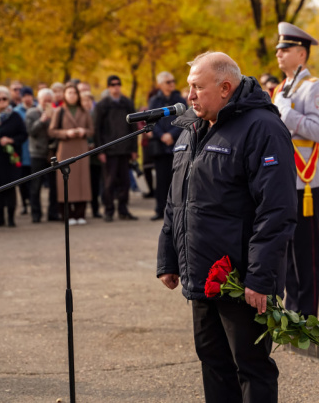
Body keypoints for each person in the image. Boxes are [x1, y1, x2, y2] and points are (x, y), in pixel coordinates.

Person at [157, 52, 296, 403]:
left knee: (251, 367)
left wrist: (260, 278)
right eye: (189, 87)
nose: (189, 96)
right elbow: (178, 199)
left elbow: (276, 210)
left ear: (224, 88)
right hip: (201, 273)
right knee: (213, 363)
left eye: (196, 88)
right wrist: (168, 258)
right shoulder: (191, 126)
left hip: (240, 279)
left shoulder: (262, 128)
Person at [272, 22, 319, 317]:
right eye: (278, 49)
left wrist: (286, 111)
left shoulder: (314, 87)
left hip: (306, 181)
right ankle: (292, 312)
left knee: (306, 255)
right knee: (286, 252)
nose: (278, 54)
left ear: (301, 54)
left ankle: (307, 317)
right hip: (282, 179)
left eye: (285, 49)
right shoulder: (281, 88)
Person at [93, 76, 138, 222]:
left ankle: (123, 210)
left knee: (125, 182)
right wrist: (100, 150)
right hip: (109, 149)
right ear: (108, 87)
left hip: (125, 149)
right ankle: (109, 210)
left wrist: (134, 149)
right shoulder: (102, 105)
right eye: (112, 85)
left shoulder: (127, 103)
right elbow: (97, 129)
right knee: (109, 182)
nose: (115, 87)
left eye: (118, 84)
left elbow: (133, 127)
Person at [48, 83, 94, 225]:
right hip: (65, 148)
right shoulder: (59, 111)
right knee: (66, 182)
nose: (72, 95)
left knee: (82, 181)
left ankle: (80, 213)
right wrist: (66, 133)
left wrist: (84, 132)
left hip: (81, 148)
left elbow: (91, 130)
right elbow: (52, 131)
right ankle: (67, 215)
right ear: (64, 95)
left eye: (74, 93)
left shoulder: (84, 110)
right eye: (69, 93)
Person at [0, 86, 28, 227]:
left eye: (4, 98)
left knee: (11, 188)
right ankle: (0, 217)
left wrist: (11, 140)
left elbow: (23, 134)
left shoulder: (15, 116)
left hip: (10, 158)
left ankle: (11, 218)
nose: (1, 101)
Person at [147, 71, 186, 220]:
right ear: (161, 85)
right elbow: (151, 121)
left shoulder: (179, 99)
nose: (172, 84)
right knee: (161, 179)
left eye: (173, 81)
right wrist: (162, 135)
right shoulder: (154, 101)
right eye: (168, 82)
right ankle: (160, 209)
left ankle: (176, 211)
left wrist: (172, 134)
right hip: (160, 146)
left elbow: (185, 119)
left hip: (177, 144)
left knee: (176, 180)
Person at [26, 88, 59, 223]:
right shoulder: (32, 113)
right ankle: (36, 214)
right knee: (36, 185)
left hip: (53, 152)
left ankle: (53, 213)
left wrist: (54, 119)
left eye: (50, 101)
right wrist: (42, 120)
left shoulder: (57, 113)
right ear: (39, 100)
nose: (47, 103)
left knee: (54, 185)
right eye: (45, 101)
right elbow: (30, 131)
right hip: (37, 153)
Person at [13, 87, 35, 215]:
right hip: (21, 151)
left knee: (34, 180)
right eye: (24, 95)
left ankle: (33, 203)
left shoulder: (37, 109)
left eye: (29, 95)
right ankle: (24, 204)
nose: (27, 98)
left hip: (35, 150)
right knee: (22, 180)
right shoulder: (16, 112)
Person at [81, 90, 103, 219]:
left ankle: (95, 208)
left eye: (88, 100)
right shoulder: (79, 115)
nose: (86, 103)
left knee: (95, 183)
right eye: (83, 100)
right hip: (82, 154)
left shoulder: (96, 115)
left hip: (95, 155)